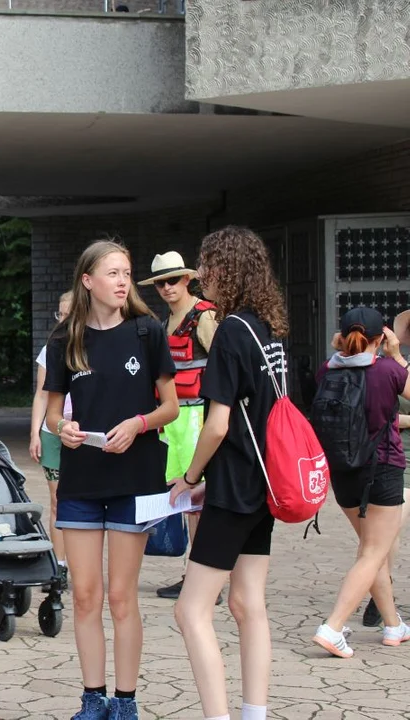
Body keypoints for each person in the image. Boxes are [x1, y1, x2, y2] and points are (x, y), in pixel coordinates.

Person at [44, 240, 179, 720]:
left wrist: (139, 424)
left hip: (135, 479)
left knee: (122, 597)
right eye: (113, 273)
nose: (123, 281)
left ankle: (125, 702)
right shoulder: (66, 338)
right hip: (81, 480)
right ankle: (91, 698)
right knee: (85, 595)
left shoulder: (148, 331)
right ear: (88, 281)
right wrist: (66, 429)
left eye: (127, 272)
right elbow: (54, 414)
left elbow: (171, 406)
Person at [169, 226, 290, 720]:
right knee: (247, 604)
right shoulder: (267, 327)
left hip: (233, 487)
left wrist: (190, 478)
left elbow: (217, 425)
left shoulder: (230, 331)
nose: (201, 276)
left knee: (190, 610)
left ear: (228, 269)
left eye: (207, 264)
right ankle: (253, 714)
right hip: (266, 485)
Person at [310, 307, 410, 658]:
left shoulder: (327, 370)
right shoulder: (387, 371)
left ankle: (393, 625)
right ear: (381, 338)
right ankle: (333, 627)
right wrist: (397, 356)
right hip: (381, 470)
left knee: (373, 551)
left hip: (343, 474)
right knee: (372, 553)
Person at [138, 251, 220, 602]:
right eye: (160, 282)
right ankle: (195, 574)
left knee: (197, 497)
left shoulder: (204, 316)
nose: (167, 287)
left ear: (187, 279)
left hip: (198, 416)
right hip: (174, 419)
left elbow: (224, 365)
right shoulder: (165, 322)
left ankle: (203, 580)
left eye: (173, 280)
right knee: (185, 500)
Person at [361, 310, 410, 627]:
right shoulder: (390, 367)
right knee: (385, 534)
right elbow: (378, 412)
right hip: (396, 456)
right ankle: (379, 597)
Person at [30, 290, 74, 585]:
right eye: (60, 313)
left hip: (85, 434)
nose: (63, 318)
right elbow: (42, 394)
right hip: (53, 433)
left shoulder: (97, 344)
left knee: (83, 502)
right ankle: (58, 565)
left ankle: (83, 563)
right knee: (58, 500)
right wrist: (35, 432)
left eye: (68, 312)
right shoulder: (51, 347)